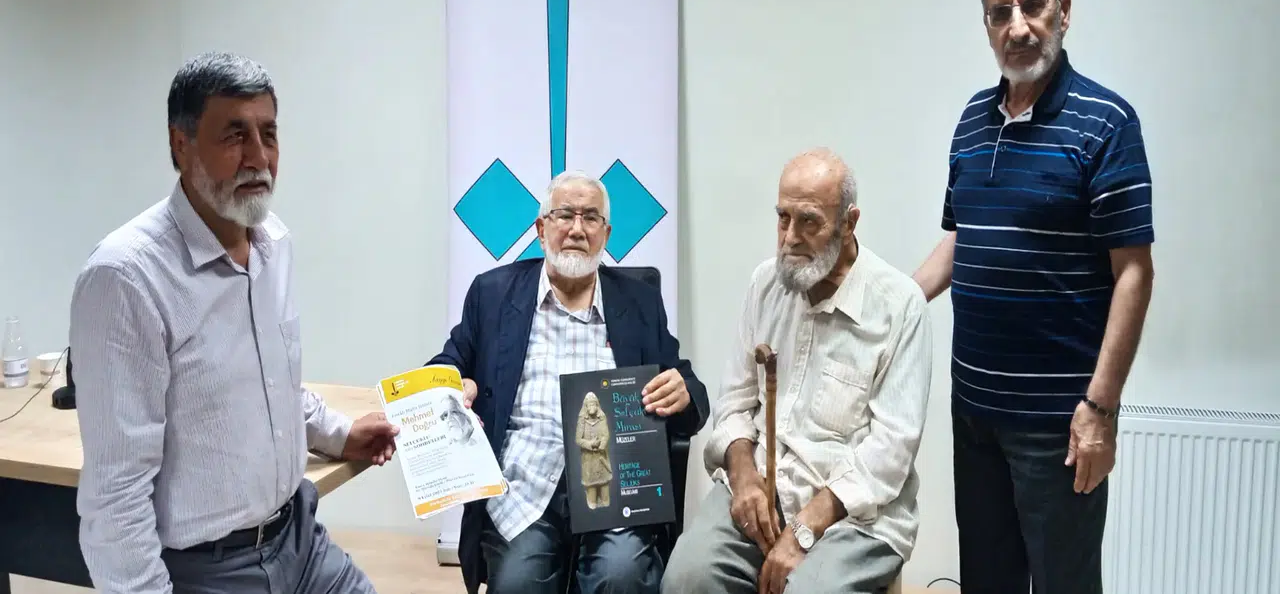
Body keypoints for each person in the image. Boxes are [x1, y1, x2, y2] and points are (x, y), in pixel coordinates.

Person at [70, 52, 400, 594]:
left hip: (298, 538)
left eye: (268, 134)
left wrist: (340, 435)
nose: (258, 157)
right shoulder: (126, 278)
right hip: (207, 570)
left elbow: (271, 384)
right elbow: (115, 496)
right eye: (234, 135)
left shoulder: (273, 244)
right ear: (181, 145)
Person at [911, 0, 1155, 594]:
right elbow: (962, 239)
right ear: (986, 25)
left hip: (1061, 425)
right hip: (975, 413)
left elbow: (1134, 273)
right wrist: (894, 301)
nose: (1017, 26)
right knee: (986, 580)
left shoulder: (1106, 122)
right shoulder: (972, 121)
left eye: (1032, 5)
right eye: (1000, 12)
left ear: (1063, 11)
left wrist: (1100, 408)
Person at [663, 149, 932, 594]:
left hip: (855, 516)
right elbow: (735, 403)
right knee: (686, 580)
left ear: (849, 222)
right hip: (763, 491)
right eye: (782, 218)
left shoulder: (900, 305)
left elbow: (890, 452)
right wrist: (743, 478)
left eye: (809, 222)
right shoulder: (765, 283)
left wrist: (805, 528)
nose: (789, 237)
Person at [428, 169, 710, 594]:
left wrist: (683, 393)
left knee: (621, 577)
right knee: (519, 584)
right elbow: (444, 367)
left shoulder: (639, 300)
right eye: (564, 215)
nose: (577, 229)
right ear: (541, 229)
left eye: (591, 218)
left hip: (615, 488)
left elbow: (688, 387)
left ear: (606, 234)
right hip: (523, 486)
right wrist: (456, 385)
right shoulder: (493, 293)